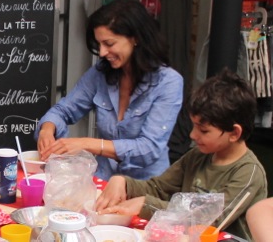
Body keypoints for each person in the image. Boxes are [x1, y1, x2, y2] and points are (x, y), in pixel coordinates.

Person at [96, 69, 267, 240]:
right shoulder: (197, 156)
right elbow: (159, 188)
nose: (193, 135)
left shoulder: (248, 173)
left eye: (204, 130)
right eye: (193, 126)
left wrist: (145, 204)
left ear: (234, 133)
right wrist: (124, 183)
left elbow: (210, 220)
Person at [35, 0, 183, 180]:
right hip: (102, 181)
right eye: (99, 44)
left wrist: (87, 144)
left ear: (135, 38)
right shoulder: (100, 73)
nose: (103, 53)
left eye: (109, 44)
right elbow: (63, 110)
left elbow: (148, 149)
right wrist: (47, 130)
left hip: (145, 187)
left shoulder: (168, 82)